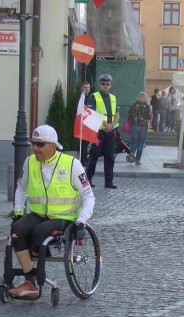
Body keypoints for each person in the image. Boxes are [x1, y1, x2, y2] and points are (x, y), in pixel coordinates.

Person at [8, 125, 95, 298]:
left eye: (40, 145)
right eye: (33, 144)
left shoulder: (72, 164)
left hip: (64, 216)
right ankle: (30, 283)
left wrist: (82, 220)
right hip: (38, 214)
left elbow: (88, 196)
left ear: (53, 145)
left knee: (39, 232)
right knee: (17, 230)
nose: (34, 148)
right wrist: (18, 209)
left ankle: (36, 258)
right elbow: (21, 188)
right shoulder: (30, 162)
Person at [85, 73, 120, 189]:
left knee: (110, 156)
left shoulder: (113, 98)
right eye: (103, 84)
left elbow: (117, 115)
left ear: (110, 85)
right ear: (100, 84)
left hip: (110, 131)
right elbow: (91, 113)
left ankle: (109, 181)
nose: (105, 86)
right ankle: (88, 179)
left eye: (107, 84)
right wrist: (105, 124)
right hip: (98, 131)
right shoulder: (93, 97)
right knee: (93, 156)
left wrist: (112, 125)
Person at [125, 91, 152, 165]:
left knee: (135, 142)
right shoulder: (147, 107)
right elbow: (149, 117)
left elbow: (129, 115)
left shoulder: (134, 105)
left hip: (134, 126)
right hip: (143, 127)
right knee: (141, 143)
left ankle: (132, 152)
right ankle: (137, 160)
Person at [78, 81, 92, 167]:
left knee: (86, 143)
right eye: (85, 87)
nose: (87, 89)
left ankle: (85, 159)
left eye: (88, 88)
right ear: (82, 88)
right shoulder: (81, 98)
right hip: (82, 123)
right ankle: (83, 160)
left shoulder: (90, 97)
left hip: (88, 123)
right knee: (83, 144)